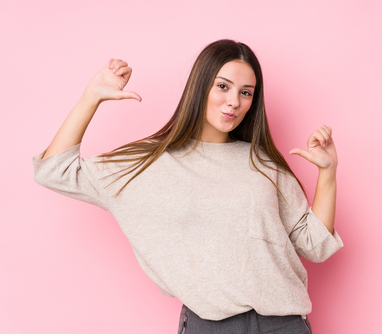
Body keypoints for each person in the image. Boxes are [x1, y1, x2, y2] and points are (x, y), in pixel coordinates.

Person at [33, 39, 343, 334]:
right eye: (223, 86)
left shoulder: (262, 164)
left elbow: (313, 245)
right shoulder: (148, 164)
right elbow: (54, 170)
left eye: (246, 93)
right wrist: (92, 97)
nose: (234, 101)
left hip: (283, 325)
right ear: (200, 86)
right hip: (208, 326)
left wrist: (328, 174)